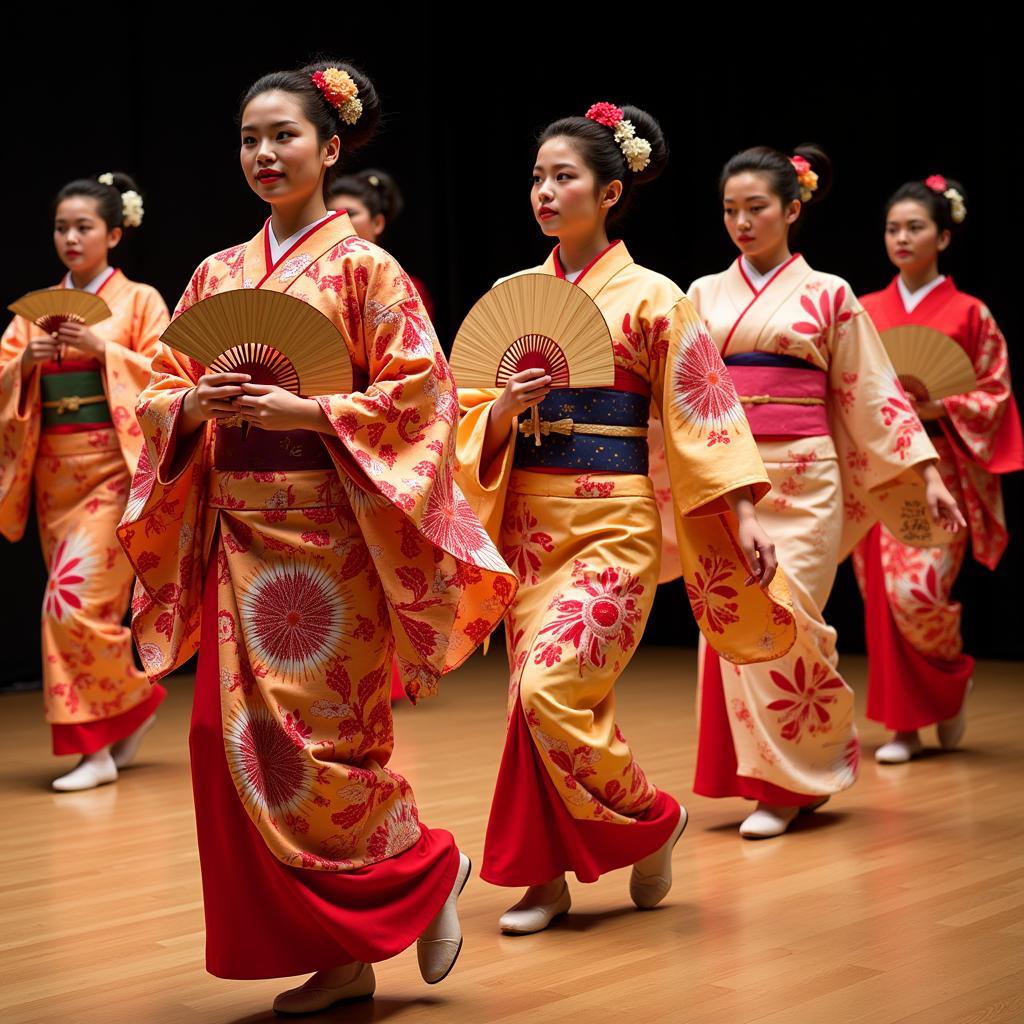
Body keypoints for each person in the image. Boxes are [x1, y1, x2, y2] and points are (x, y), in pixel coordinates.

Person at [117, 59, 516, 1014]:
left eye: (283, 135)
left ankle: (424, 868)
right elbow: (160, 389)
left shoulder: (366, 269)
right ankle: (339, 953)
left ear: (330, 148)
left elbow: (421, 401)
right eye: (250, 138)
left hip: (334, 543)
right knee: (234, 750)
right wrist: (190, 403)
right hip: (237, 539)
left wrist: (310, 409)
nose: (263, 153)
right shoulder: (217, 273)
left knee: (321, 753)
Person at [457, 102, 795, 935]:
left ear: (610, 192)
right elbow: (462, 416)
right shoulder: (513, 294)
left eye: (563, 176)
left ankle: (649, 815)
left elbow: (704, 416)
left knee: (550, 690)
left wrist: (743, 512)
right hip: (528, 529)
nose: (544, 190)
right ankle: (544, 880)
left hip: (614, 526)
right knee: (525, 709)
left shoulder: (655, 299)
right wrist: (502, 409)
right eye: (537, 176)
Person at [684, 146, 965, 838]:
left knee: (788, 616)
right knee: (731, 622)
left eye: (756, 209)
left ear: (792, 210)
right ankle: (777, 775)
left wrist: (925, 473)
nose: (741, 223)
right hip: (729, 478)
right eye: (730, 210)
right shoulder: (700, 294)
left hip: (806, 480)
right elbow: (686, 394)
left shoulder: (830, 294)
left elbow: (873, 393)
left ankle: (785, 786)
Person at [0, 172, 168, 791]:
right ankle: (131, 705)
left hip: (114, 474)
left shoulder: (141, 301)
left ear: (114, 234)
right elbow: (2, 388)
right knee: (80, 609)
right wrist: (25, 365)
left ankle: (93, 748)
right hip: (54, 478)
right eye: (61, 227)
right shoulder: (32, 312)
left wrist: (104, 351)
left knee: (68, 603)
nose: (70, 238)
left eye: (84, 227)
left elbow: (164, 376)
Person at [853, 175, 1023, 763]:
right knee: (880, 597)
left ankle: (949, 675)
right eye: (893, 228)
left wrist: (938, 405)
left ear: (943, 237)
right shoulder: (865, 310)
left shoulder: (971, 313)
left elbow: (995, 394)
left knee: (916, 591)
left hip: (940, 468)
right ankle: (904, 728)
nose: (901, 237)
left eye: (915, 227)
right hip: (877, 468)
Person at [327, 168, 435, 319]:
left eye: (350, 213)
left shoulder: (406, 288)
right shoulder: (320, 285)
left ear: (377, 223)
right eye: (332, 214)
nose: (339, 220)